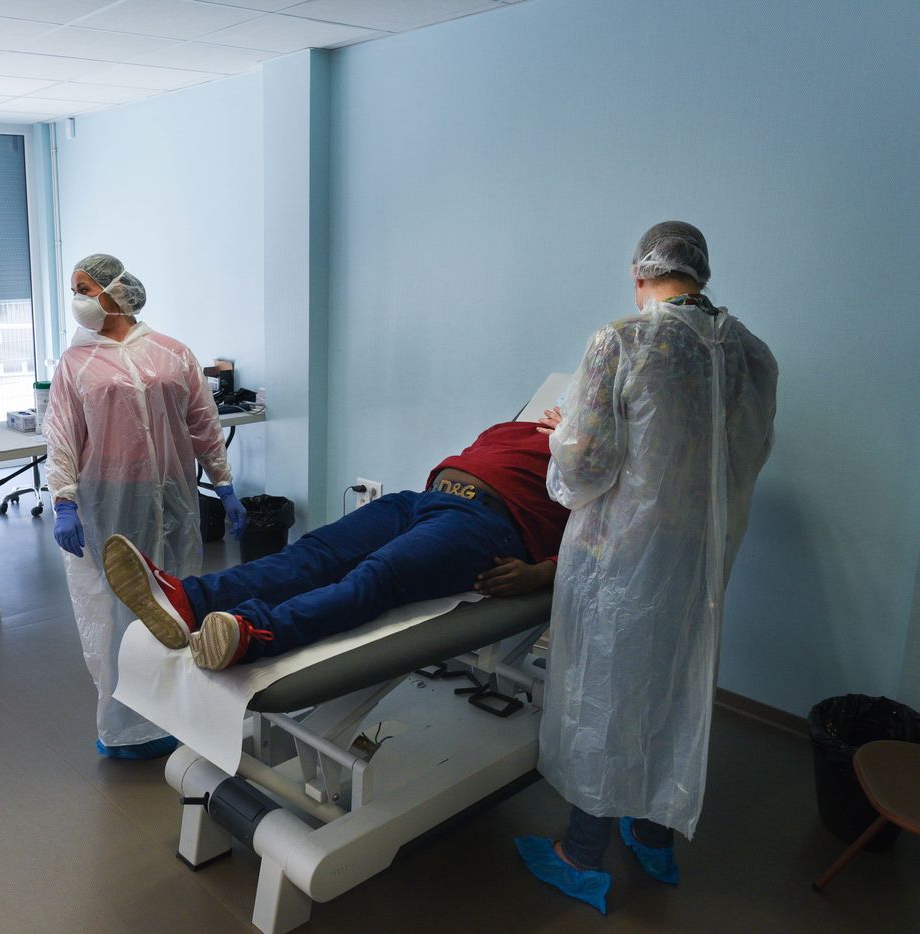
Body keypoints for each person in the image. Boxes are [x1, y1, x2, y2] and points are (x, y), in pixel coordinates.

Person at [515, 221, 778, 913]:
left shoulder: (623, 340)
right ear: (699, 273)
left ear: (640, 275)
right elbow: (744, 457)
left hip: (621, 558)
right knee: (673, 689)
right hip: (697, 559)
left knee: (605, 693)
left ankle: (581, 852)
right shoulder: (752, 354)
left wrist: (561, 435)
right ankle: (654, 837)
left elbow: (586, 466)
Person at [103, 418, 568, 669]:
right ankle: (192, 600)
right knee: (313, 553)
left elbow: (600, 541)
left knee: (375, 576)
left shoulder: (593, 456)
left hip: (482, 525)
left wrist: (542, 571)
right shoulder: (523, 426)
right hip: (420, 500)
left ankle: (255, 634)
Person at [44, 253, 247, 759]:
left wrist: (223, 484)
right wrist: (64, 500)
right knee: (120, 607)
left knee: (176, 600)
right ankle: (125, 723)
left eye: (85, 288)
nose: (77, 299)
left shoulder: (172, 354)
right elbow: (62, 435)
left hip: (174, 496)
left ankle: (178, 711)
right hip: (109, 497)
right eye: (75, 290)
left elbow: (203, 422)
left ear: (116, 291)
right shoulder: (76, 363)